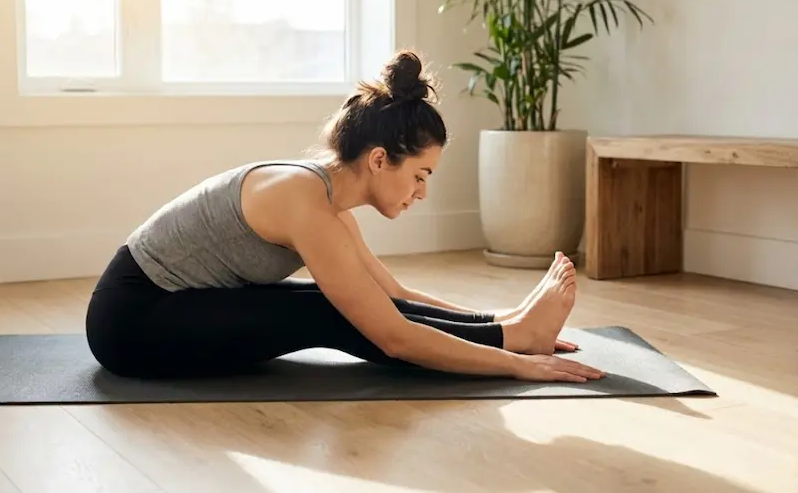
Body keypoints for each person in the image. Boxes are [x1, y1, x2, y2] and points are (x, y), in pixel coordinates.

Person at [84, 50, 605, 385]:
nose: (422, 192)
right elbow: (393, 336)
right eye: (420, 175)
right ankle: (518, 338)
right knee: (332, 312)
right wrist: (517, 364)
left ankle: (516, 329)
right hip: (133, 322)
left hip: (177, 303)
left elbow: (394, 296)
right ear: (380, 159)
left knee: (346, 299)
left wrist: (500, 319)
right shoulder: (304, 203)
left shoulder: (324, 196)